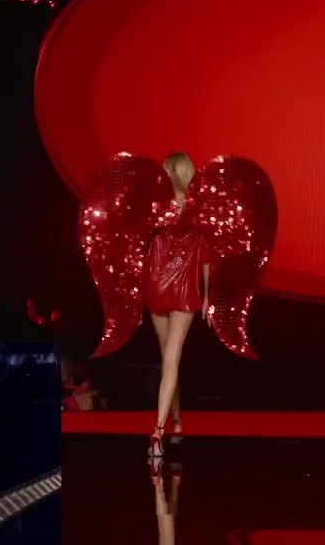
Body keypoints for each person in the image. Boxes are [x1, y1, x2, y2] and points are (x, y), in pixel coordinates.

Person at [144, 152, 211, 458]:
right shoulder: (165, 207)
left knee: (169, 359)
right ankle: (172, 421)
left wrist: (207, 293)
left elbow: (206, 253)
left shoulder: (183, 209)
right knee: (169, 359)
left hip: (173, 285)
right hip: (167, 285)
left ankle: (163, 427)